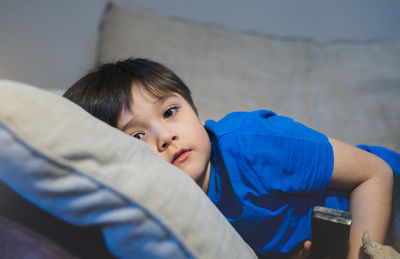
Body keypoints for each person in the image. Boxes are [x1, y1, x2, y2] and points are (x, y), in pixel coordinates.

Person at [63, 58, 399, 259]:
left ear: (195, 112)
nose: (165, 137)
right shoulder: (162, 215)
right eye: (137, 136)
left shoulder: (251, 144)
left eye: (169, 112)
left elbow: (374, 173)